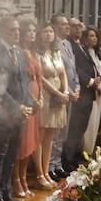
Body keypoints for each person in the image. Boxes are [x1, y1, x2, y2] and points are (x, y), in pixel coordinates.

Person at [0, 18, 35, 201]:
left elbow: (24, 81)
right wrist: (16, 106)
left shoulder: (20, 52)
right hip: (1, 112)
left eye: (18, 30)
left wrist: (27, 104)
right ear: (2, 31)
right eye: (12, 30)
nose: (17, 33)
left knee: (12, 153)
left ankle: (6, 192)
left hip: (19, 112)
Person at [12, 19, 42, 200]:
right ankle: (15, 179)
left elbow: (39, 77)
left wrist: (41, 98)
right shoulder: (20, 53)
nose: (31, 34)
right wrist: (32, 100)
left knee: (31, 143)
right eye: (28, 31)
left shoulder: (34, 52)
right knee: (21, 144)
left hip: (36, 98)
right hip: (25, 99)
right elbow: (23, 80)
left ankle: (23, 177)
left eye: (33, 31)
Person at [35, 24, 68, 187]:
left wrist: (66, 91)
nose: (49, 34)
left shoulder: (55, 51)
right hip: (47, 95)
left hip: (59, 95)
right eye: (45, 31)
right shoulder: (38, 53)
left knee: (50, 136)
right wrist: (58, 93)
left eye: (51, 31)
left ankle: (47, 171)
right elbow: (40, 77)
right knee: (41, 136)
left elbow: (63, 73)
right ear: (40, 35)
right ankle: (39, 173)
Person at [62, 19, 97, 169]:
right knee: (74, 128)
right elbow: (75, 67)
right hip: (80, 91)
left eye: (80, 26)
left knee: (81, 128)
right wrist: (89, 81)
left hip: (88, 92)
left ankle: (76, 156)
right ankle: (68, 159)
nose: (78, 29)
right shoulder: (69, 44)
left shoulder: (80, 44)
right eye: (74, 26)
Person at [81, 27, 101, 155]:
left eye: (95, 36)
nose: (94, 38)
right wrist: (97, 86)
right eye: (91, 36)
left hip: (99, 92)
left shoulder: (97, 52)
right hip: (91, 91)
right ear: (85, 38)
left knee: (96, 120)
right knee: (90, 122)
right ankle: (85, 150)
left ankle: (91, 150)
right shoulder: (84, 53)